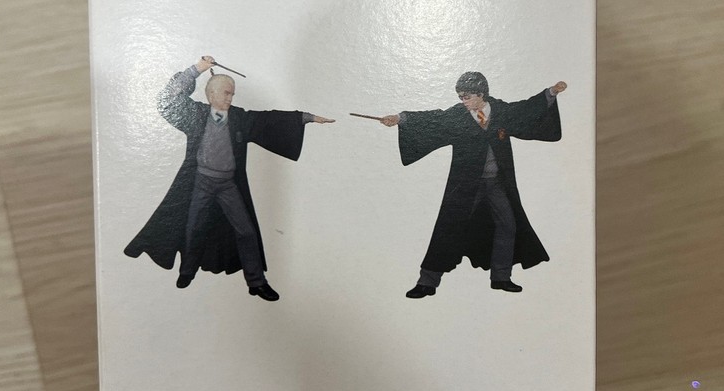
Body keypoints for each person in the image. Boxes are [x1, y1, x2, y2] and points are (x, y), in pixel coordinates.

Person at [125, 56, 334, 301]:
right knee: (193, 228)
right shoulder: (195, 114)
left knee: (246, 231)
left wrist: (306, 117)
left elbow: (268, 119)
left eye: (232, 94)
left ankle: (256, 282)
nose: (230, 98)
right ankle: (187, 272)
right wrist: (197, 69)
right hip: (200, 182)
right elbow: (168, 98)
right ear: (211, 94)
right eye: (226, 93)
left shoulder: (239, 118)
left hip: (228, 185)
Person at [378, 71, 567, 296]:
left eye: (466, 96)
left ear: (481, 94)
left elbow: (526, 109)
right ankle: (427, 282)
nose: (463, 101)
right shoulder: (457, 116)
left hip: (497, 183)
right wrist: (400, 119)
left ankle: (501, 277)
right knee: (448, 228)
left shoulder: (501, 111)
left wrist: (551, 93)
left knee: (508, 225)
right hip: (465, 184)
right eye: (460, 97)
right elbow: (432, 119)